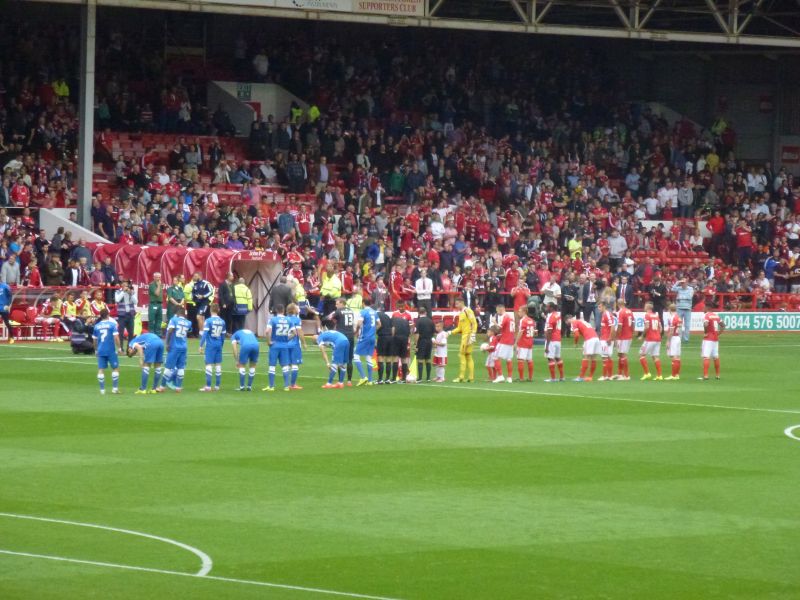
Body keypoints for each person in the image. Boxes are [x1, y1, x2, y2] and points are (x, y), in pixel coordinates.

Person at [162, 306, 192, 392]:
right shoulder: (188, 322)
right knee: (181, 367)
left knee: (169, 367)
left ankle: (163, 385)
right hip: (183, 346)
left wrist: (167, 343)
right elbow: (189, 330)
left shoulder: (173, 320)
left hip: (174, 346)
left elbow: (169, 331)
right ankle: (178, 387)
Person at [92, 308, 122, 395]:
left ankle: (102, 390)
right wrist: (119, 348)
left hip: (101, 350)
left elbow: (94, 339)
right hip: (110, 350)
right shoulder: (112, 325)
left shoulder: (96, 326)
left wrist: (96, 350)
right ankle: (114, 389)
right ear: (108, 315)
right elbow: (116, 337)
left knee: (101, 369)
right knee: (115, 368)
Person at [263, 304, 292, 392]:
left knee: (272, 366)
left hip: (275, 345)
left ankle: (271, 386)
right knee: (285, 366)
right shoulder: (288, 319)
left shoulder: (273, 320)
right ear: (283, 310)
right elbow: (294, 332)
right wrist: (287, 339)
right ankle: (286, 386)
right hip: (284, 345)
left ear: (276, 310)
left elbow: (267, 332)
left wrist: (269, 342)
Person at [199, 304, 226, 392]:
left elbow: (205, 334)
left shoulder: (208, 321)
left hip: (210, 345)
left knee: (208, 364)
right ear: (218, 310)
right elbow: (223, 335)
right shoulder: (222, 321)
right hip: (218, 344)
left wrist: (201, 345)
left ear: (210, 310)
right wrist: (221, 345)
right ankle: (217, 386)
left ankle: (208, 386)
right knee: (218, 364)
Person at [329, 298, 356, 385]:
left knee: (340, 359)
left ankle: (340, 381)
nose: (336, 306)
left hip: (342, 336)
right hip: (351, 335)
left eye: (337, 304)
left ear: (342, 303)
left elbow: (330, 318)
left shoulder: (338, 311)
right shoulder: (351, 311)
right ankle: (349, 381)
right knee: (349, 359)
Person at [451, 296, 477, 383]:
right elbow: (459, 328)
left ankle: (461, 377)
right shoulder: (461, 313)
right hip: (465, 335)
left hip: (467, 336)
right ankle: (471, 378)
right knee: (468, 356)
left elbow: (474, 323)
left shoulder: (467, 311)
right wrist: (450, 333)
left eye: (457, 304)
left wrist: (473, 334)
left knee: (462, 355)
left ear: (461, 303)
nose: (456, 305)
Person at [567, 315, 600, 382]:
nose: (567, 323)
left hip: (589, 339)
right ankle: (590, 377)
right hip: (596, 338)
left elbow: (576, 335)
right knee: (593, 358)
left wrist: (575, 343)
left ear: (569, 319)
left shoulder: (574, 322)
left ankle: (581, 377)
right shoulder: (582, 321)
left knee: (586, 357)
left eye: (567, 321)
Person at [353, 297, 377, 385]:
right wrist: (373, 331)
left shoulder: (363, 312)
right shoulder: (374, 312)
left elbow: (359, 323)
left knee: (355, 355)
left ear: (363, 303)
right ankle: (370, 381)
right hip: (372, 337)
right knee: (368, 357)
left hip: (364, 337)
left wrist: (356, 332)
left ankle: (363, 377)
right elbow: (379, 324)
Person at [639, 302, 664, 381]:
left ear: (647, 307)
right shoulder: (656, 316)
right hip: (658, 339)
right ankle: (659, 375)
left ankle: (647, 373)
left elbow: (646, 327)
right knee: (655, 356)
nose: (644, 307)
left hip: (650, 339)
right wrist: (657, 334)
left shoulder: (647, 315)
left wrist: (642, 336)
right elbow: (661, 328)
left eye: (645, 306)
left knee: (641, 355)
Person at [389, 303, 413, 382]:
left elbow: (411, 327)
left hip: (404, 338)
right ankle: (394, 377)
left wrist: (409, 336)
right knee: (397, 357)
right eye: (399, 306)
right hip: (398, 338)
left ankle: (403, 377)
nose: (401, 308)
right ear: (397, 307)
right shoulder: (394, 314)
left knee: (403, 358)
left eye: (402, 306)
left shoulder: (408, 315)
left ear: (405, 307)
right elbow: (392, 327)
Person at [492, 304, 516, 383]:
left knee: (495, 356)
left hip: (504, 341)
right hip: (510, 341)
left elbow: (499, 328)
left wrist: (494, 322)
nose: (497, 312)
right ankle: (509, 377)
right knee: (508, 359)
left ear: (500, 309)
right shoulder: (511, 317)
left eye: (497, 310)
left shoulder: (504, 317)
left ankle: (500, 376)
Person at [700, 310, 724, 380]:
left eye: (704, 307)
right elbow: (723, 325)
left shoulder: (706, 315)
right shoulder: (716, 315)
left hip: (708, 339)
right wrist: (719, 333)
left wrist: (705, 332)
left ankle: (706, 375)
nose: (703, 309)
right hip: (715, 339)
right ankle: (717, 375)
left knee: (706, 357)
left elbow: (706, 324)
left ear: (707, 307)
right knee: (716, 356)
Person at [613, 299, 634, 380]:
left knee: (623, 354)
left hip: (623, 336)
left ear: (618, 304)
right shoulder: (629, 311)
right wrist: (632, 332)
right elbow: (633, 322)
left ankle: (626, 375)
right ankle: (620, 374)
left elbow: (620, 325)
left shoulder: (621, 312)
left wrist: (617, 336)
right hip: (628, 335)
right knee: (620, 354)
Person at [286, 303, 305, 390]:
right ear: (294, 310)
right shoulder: (297, 319)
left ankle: (287, 384)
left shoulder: (285, 319)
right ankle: (293, 385)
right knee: (295, 364)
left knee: (288, 364)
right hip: (294, 344)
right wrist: (304, 342)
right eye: (297, 308)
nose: (299, 309)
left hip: (285, 344)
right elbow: (299, 332)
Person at [413, 305, 435, 382]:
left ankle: (420, 378)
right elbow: (433, 332)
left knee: (420, 359)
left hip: (422, 341)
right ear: (425, 312)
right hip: (429, 341)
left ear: (419, 313)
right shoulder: (430, 321)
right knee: (428, 359)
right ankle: (428, 378)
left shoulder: (418, 321)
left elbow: (417, 333)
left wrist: (415, 344)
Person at [543, 304, 564, 382]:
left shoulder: (551, 317)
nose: (546, 308)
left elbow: (549, 331)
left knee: (550, 358)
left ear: (551, 308)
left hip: (552, 340)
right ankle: (562, 377)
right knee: (558, 357)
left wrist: (547, 345)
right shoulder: (558, 315)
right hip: (558, 339)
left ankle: (553, 378)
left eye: (548, 306)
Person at [515, 306, 536, 382]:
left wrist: (516, 342)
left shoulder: (523, 320)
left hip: (523, 343)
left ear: (524, 312)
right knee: (529, 360)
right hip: (530, 342)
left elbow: (521, 332)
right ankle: (530, 378)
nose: (518, 313)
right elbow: (533, 332)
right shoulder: (531, 320)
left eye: (520, 311)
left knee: (520, 360)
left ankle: (521, 378)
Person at [114, 280, 137, 351]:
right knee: (120, 332)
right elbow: (117, 300)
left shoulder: (132, 292)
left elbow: (136, 302)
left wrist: (131, 294)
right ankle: (120, 348)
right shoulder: (118, 292)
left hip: (130, 314)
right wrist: (123, 292)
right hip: (122, 315)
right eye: (123, 285)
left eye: (126, 285)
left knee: (131, 332)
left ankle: (129, 348)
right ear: (121, 285)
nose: (125, 286)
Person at [671, 278, 695, 342]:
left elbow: (689, 297)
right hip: (679, 308)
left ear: (686, 283)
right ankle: (679, 337)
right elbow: (672, 289)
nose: (682, 284)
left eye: (683, 283)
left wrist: (679, 297)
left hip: (687, 308)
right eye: (681, 283)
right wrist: (677, 282)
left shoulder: (690, 289)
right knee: (679, 324)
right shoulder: (679, 288)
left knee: (687, 325)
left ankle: (686, 339)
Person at [597, 301, 615, 381]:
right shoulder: (604, 314)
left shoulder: (607, 314)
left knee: (604, 357)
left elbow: (612, 327)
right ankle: (610, 376)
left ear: (604, 306)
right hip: (604, 338)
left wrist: (610, 338)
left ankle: (604, 376)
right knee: (608, 357)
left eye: (600, 307)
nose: (598, 308)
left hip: (606, 339)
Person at [375, 307, 394, 384]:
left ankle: (380, 379)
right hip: (390, 337)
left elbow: (378, 325)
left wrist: (373, 331)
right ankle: (387, 379)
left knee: (381, 357)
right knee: (388, 358)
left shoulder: (376, 315)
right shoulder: (387, 316)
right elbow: (393, 328)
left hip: (382, 337)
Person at [665, 303, 683, 380]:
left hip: (674, 338)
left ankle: (673, 375)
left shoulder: (672, 318)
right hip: (678, 337)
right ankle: (677, 375)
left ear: (669, 309)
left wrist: (668, 341)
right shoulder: (678, 317)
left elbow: (671, 331)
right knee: (678, 357)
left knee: (673, 356)